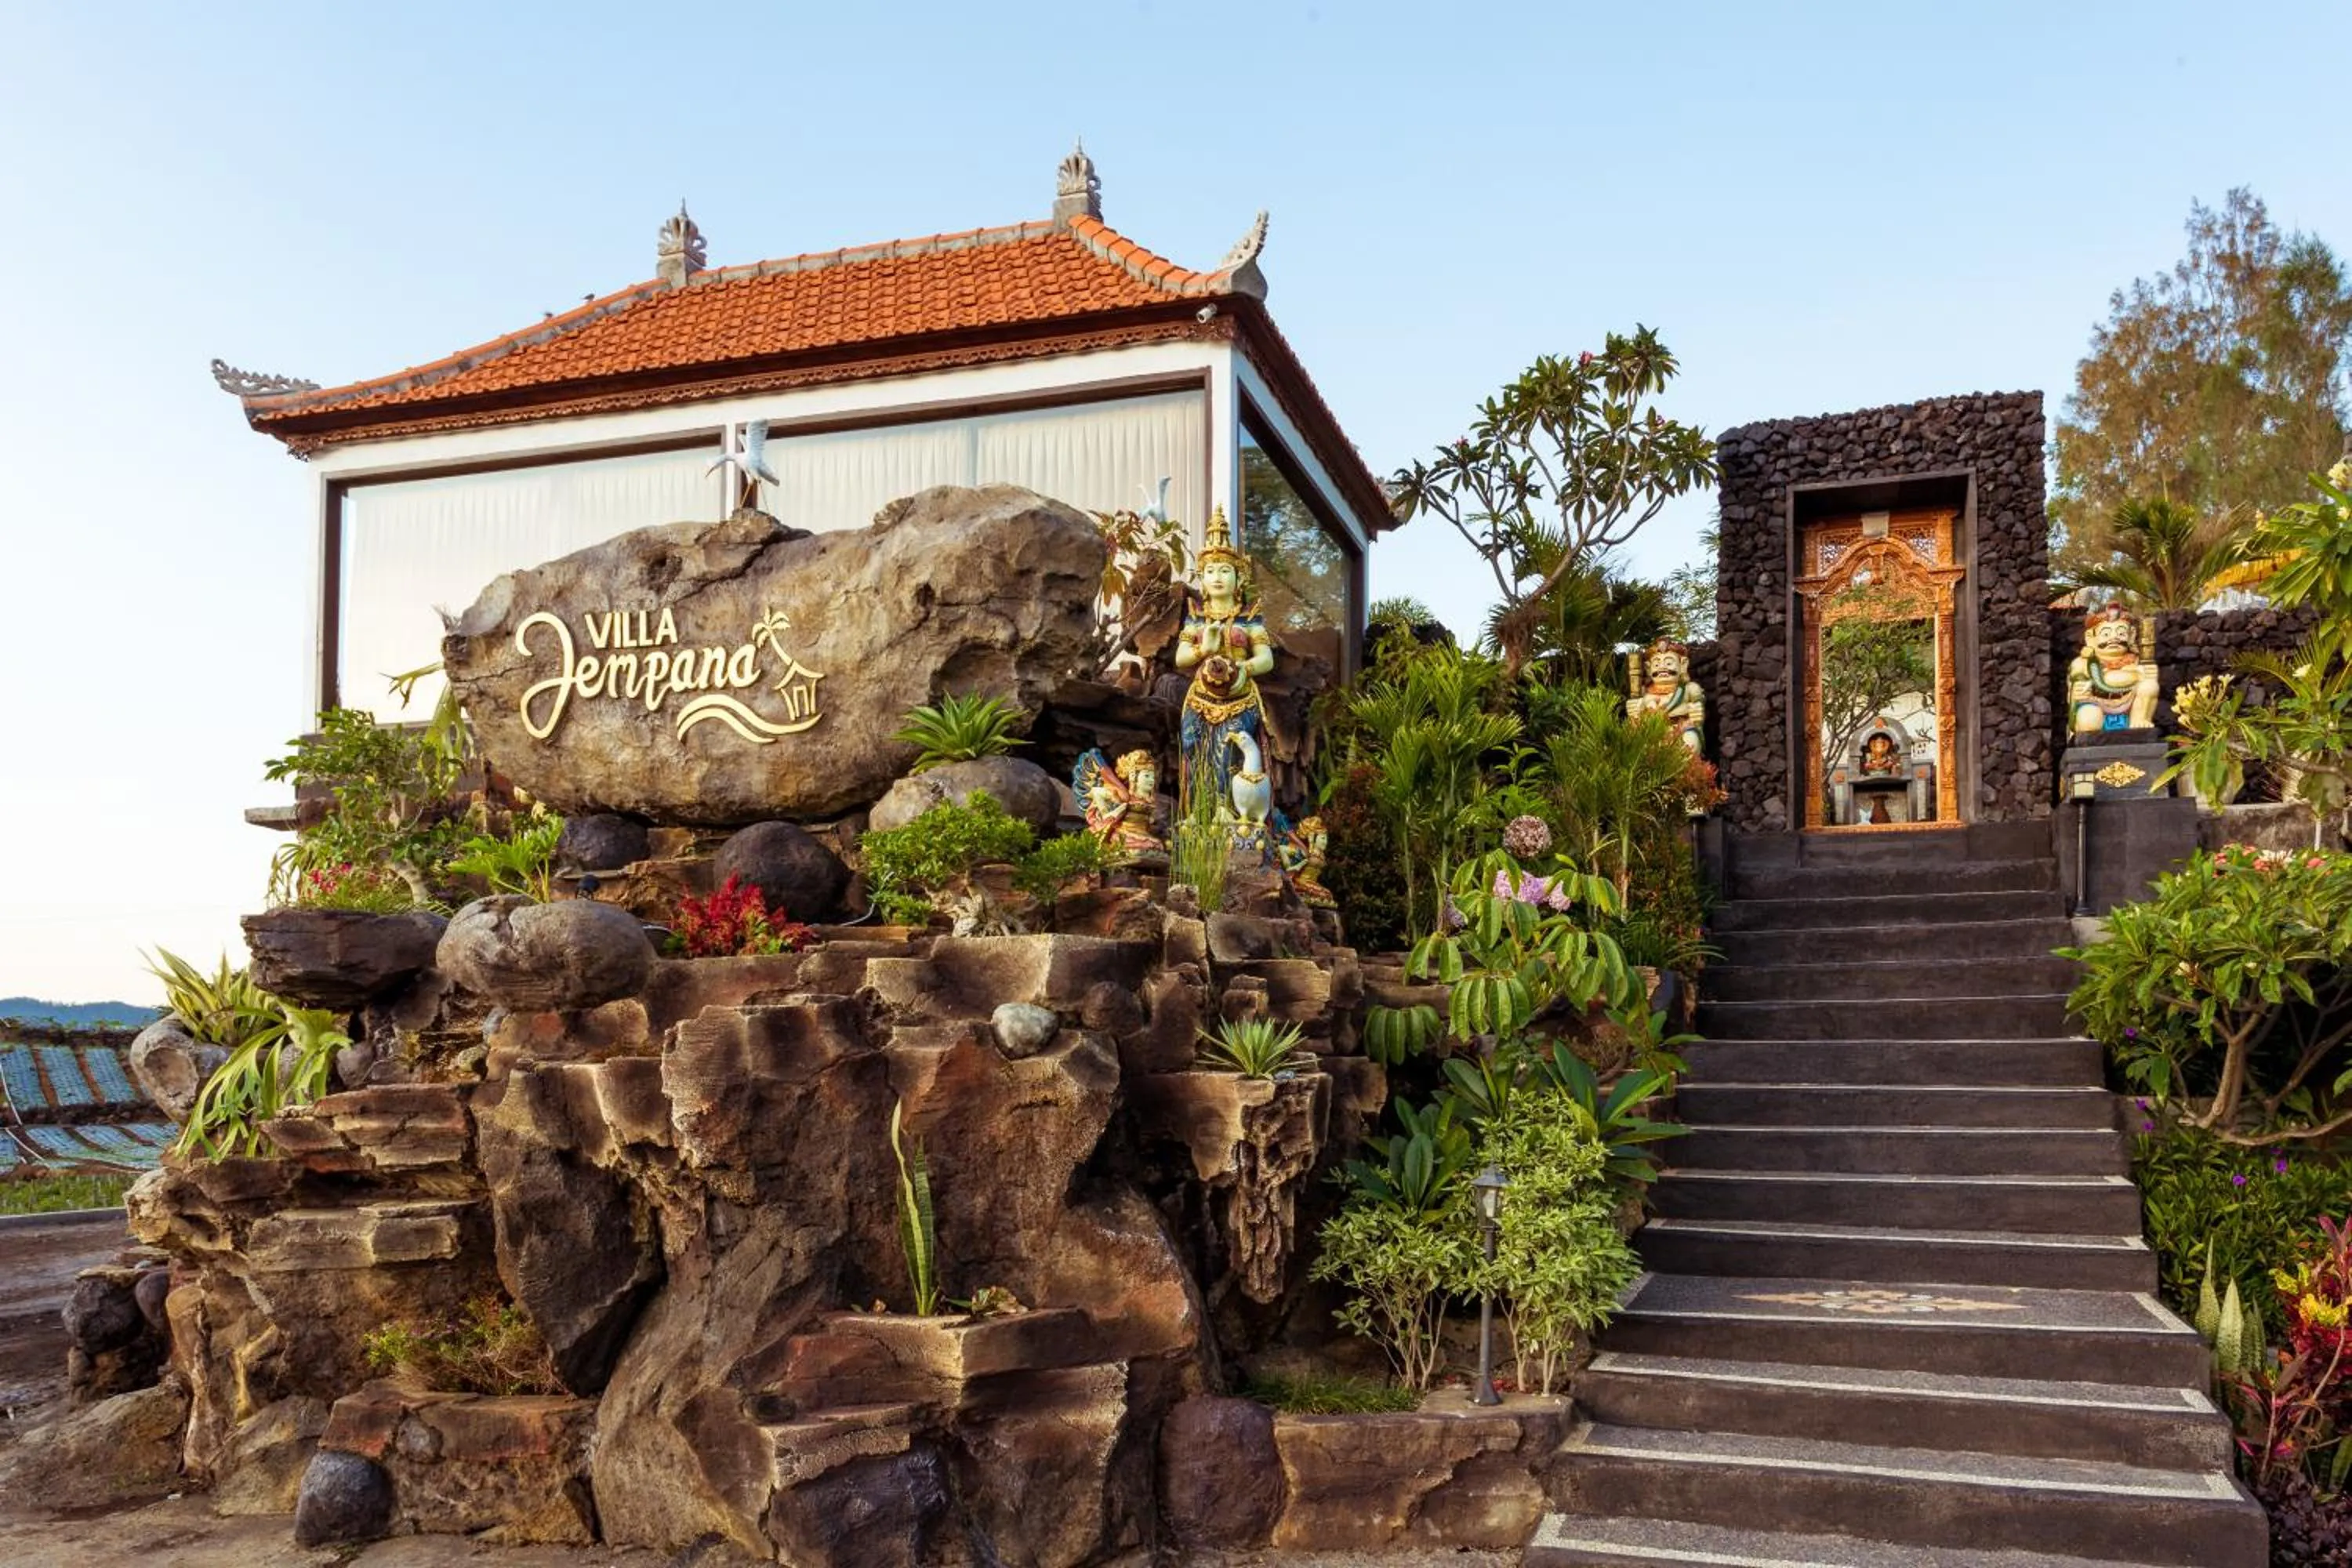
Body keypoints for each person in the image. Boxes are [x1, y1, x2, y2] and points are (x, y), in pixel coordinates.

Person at [1175, 507, 1275, 813]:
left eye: (1224, 571)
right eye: (1210, 572)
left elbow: (1266, 660)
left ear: (1239, 576)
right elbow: (1181, 659)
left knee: (1230, 752)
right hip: (1200, 697)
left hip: (1240, 697)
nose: (1217, 578)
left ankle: (1228, 812)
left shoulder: (1249, 618)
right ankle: (1196, 815)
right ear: (1201, 579)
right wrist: (1205, 649)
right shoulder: (1196, 617)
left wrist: (1241, 668)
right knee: (1194, 749)